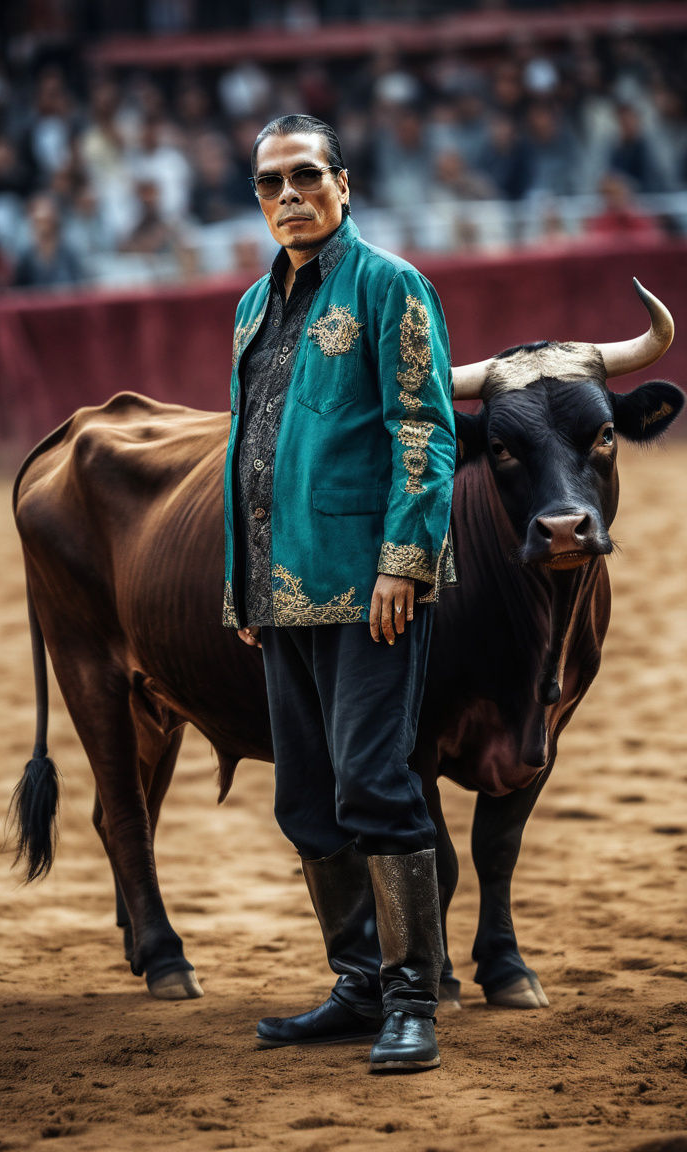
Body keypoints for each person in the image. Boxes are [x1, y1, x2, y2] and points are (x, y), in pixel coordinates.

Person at [222, 115, 457, 1073]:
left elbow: (424, 432)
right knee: (306, 801)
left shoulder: (393, 285)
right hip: (279, 592)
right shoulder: (248, 306)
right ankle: (359, 986)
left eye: (306, 175)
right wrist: (242, 587)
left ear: (344, 184)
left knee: (375, 786)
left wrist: (406, 561)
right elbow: (249, 452)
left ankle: (414, 1002)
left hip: (371, 588)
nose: (289, 195)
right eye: (270, 182)